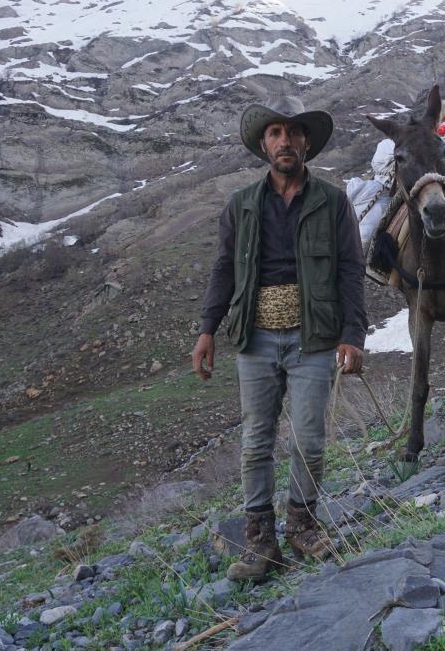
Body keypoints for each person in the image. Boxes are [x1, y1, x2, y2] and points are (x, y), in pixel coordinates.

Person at [192, 95, 367, 582]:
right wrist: (207, 330)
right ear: (264, 144)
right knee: (255, 442)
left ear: (306, 142)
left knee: (310, 438)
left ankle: (303, 526)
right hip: (255, 338)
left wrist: (353, 334)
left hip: (315, 337)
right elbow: (224, 270)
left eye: (292, 132)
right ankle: (260, 542)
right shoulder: (241, 205)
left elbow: (351, 269)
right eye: (274, 133)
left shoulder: (332, 201)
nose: (284, 141)